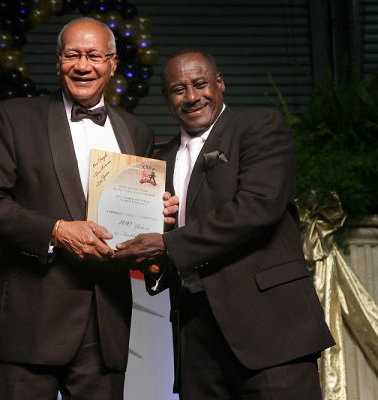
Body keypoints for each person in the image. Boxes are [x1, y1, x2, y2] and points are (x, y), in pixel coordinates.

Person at [0, 17, 176, 399]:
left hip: (105, 323)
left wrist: (158, 222)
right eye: (72, 55)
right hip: (31, 321)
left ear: (113, 63)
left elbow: (134, 222)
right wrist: (57, 231)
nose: (83, 65)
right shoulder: (13, 118)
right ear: (57, 61)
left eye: (94, 55)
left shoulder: (137, 131)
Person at [114, 49, 335, 399]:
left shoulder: (260, 127)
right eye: (178, 89)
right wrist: (154, 261)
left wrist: (167, 244)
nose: (191, 97)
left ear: (220, 84)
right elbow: (164, 238)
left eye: (200, 84)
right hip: (195, 333)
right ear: (167, 98)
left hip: (270, 328)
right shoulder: (159, 161)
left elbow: (257, 208)